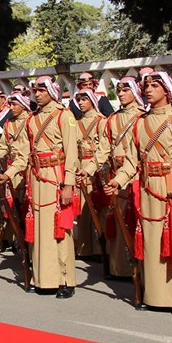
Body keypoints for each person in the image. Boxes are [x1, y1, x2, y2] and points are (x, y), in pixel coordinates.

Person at [107, 71, 172, 316]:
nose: (148, 90)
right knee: (150, 242)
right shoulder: (139, 122)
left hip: (170, 188)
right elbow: (131, 161)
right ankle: (153, 294)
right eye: (146, 86)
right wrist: (118, 181)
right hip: (147, 189)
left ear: (166, 90)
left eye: (154, 86)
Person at [77, 76, 145, 279]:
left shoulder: (143, 117)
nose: (121, 94)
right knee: (118, 220)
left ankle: (141, 268)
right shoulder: (112, 120)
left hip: (138, 176)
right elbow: (103, 151)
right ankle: (120, 268)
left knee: (138, 222)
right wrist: (88, 169)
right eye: (120, 91)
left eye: (126, 90)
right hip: (116, 175)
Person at [24, 76, 77, 298]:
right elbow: (26, 153)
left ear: (52, 91)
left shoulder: (65, 116)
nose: (37, 94)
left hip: (56, 178)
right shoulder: (31, 118)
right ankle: (42, 278)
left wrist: (69, 183)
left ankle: (65, 280)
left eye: (42, 90)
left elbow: (71, 151)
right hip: (37, 179)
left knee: (59, 231)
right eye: (35, 90)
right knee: (39, 230)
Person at [0, 93, 31, 253]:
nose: (11, 108)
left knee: (26, 207)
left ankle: (27, 240)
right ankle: (16, 239)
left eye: (15, 104)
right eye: (11, 104)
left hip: (26, 169)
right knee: (13, 207)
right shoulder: (8, 123)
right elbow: (2, 147)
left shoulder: (30, 121)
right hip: (11, 169)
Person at [72, 88, 106, 258]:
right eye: (79, 99)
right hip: (79, 167)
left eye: (84, 99)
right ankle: (84, 247)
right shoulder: (76, 122)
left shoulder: (101, 122)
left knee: (97, 208)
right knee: (82, 210)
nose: (81, 102)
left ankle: (100, 248)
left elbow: (105, 148)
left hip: (95, 168)